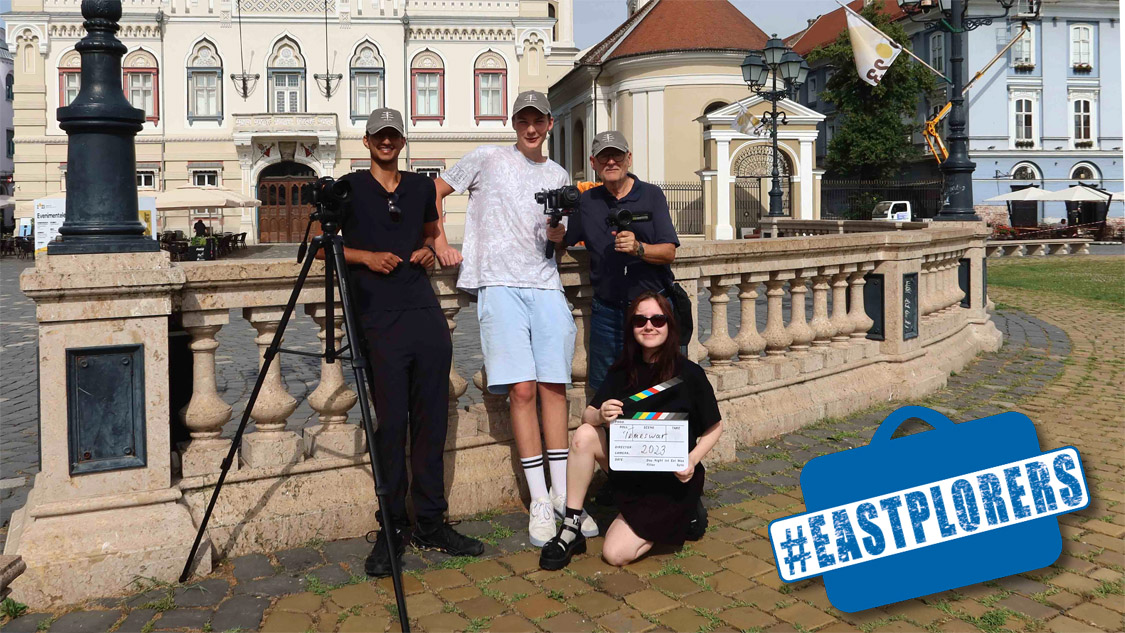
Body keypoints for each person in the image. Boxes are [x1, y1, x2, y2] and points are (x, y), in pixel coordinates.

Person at [434, 90, 590, 546]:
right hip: (499, 285)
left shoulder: (559, 174)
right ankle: (539, 500)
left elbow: (553, 239)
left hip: (545, 285)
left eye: (538, 121)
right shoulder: (487, 157)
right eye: (523, 120)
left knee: (554, 387)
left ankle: (564, 497)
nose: (531, 128)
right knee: (521, 391)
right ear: (514, 123)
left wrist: (559, 234)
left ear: (549, 124)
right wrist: (441, 241)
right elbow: (435, 191)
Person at [332, 107, 484, 577]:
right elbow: (322, 242)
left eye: (394, 135)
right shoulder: (349, 187)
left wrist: (429, 247)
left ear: (402, 140)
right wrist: (366, 257)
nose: (386, 142)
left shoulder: (420, 186)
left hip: (424, 315)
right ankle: (393, 525)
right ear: (367, 141)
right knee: (392, 423)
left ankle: (432, 522)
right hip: (377, 317)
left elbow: (431, 230)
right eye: (379, 136)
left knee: (433, 420)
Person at [539, 291, 723, 570]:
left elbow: (715, 427)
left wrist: (692, 460)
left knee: (615, 555)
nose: (649, 326)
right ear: (632, 327)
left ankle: (688, 512)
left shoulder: (691, 374)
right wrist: (600, 414)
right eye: (640, 321)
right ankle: (571, 524)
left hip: (671, 481)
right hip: (632, 470)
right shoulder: (622, 371)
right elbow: (588, 414)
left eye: (657, 320)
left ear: (669, 325)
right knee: (585, 435)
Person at [562, 131, 679, 392]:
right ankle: (610, 432)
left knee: (657, 383)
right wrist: (555, 233)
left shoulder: (651, 195)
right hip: (607, 312)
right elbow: (565, 240)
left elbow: (669, 251)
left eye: (616, 156)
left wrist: (639, 248)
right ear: (593, 163)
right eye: (604, 157)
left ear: (629, 159)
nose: (611, 162)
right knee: (605, 386)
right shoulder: (587, 201)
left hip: (651, 311)